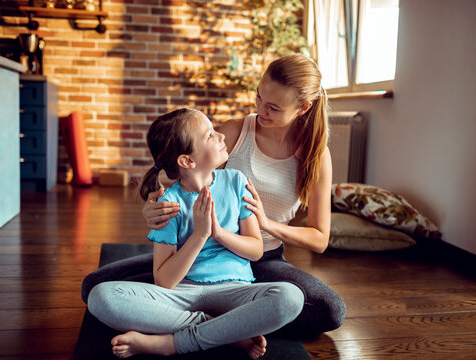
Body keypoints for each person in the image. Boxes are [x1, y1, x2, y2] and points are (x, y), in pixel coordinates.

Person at [82, 53, 346, 338]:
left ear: (303, 108)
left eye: (273, 107)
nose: (260, 110)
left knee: (329, 310)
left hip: (263, 257)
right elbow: (184, 165)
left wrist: (266, 224)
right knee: (95, 287)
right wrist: (153, 203)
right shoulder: (235, 131)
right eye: (258, 97)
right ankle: (231, 324)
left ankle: (192, 324)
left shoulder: (316, 156)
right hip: (195, 253)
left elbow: (319, 238)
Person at [87, 108, 304, 359]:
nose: (221, 136)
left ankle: (171, 344)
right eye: (210, 135)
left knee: (290, 298)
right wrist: (199, 236)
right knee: (100, 297)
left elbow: (256, 251)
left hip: (234, 290)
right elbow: (165, 281)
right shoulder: (168, 204)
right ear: (187, 161)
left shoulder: (236, 181)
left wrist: (218, 233)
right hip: (181, 294)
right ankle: (223, 330)